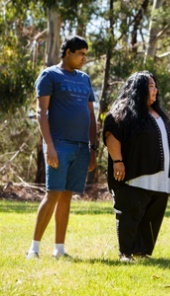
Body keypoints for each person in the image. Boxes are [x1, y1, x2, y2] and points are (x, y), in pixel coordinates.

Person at [26, 35, 97, 259]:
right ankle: (34, 249)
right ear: (68, 52)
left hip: (81, 147)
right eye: (81, 54)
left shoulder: (85, 79)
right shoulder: (50, 75)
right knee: (53, 193)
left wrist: (93, 149)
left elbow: (91, 115)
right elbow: (41, 113)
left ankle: (59, 250)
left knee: (67, 196)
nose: (84, 58)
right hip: (59, 145)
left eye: (86, 54)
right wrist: (49, 146)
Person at [103, 71, 170, 263]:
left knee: (152, 216)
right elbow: (112, 134)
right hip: (135, 175)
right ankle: (125, 252)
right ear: (139, 89)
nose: (155, 90)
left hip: (161, 178)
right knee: (130, 213)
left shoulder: (157, 112)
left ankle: (141, 251)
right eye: (151, 86)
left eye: (155, 86)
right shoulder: (124, 110)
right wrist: (118, 161)